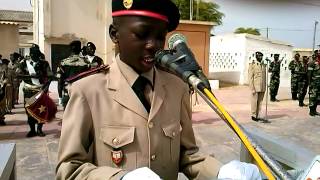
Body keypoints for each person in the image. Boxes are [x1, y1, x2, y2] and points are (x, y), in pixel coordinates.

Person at [56, 0, 261, 179]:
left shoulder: (176, 87)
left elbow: (187, 155)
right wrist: (118, 178)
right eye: (142, 34)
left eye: (160, 37)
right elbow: (69, 169)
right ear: (115, 34)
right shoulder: (88, 91)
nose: (153, 45)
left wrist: (221, 172)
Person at [16, 44, 53, 137]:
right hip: (28, 90)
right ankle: (32, 130)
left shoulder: (44, 63)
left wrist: (46, 87)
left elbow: (50, 75)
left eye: (37, 52)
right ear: (30, 53)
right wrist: (29, 76)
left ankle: (39, 129)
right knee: (29, 110)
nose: (35, 55)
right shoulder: (24, 63)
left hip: (40, 89)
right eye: (33, 53)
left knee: (41, 110)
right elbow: (18, 75)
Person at [56, 40, 89, 109]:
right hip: (82, 94)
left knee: (68, 118)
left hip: (68, 94)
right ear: (80, 50)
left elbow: (60, 81)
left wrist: (60, 97)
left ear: (70, 49)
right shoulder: (86, 63)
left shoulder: (63, 62)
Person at [248, 51, 269, 123]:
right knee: (254, 102)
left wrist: (265, 86)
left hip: (262, 87)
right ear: (256, 56)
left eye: (261, 56)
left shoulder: (263, 65)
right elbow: (250, 78)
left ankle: (258, 115)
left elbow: (264, 76)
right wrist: (252, 88)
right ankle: (253, 115)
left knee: (260, 102)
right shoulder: (252, 65)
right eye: (259, 56)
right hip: (255, 87)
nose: (260, 57)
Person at [308, 50, 320, 116]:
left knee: (317, 98)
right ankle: (311, 111)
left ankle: (315, 110)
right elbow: (309, 74)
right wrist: (309, 83)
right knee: (312, 97)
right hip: (314, 84)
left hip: (319, 84)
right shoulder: (312, 63)